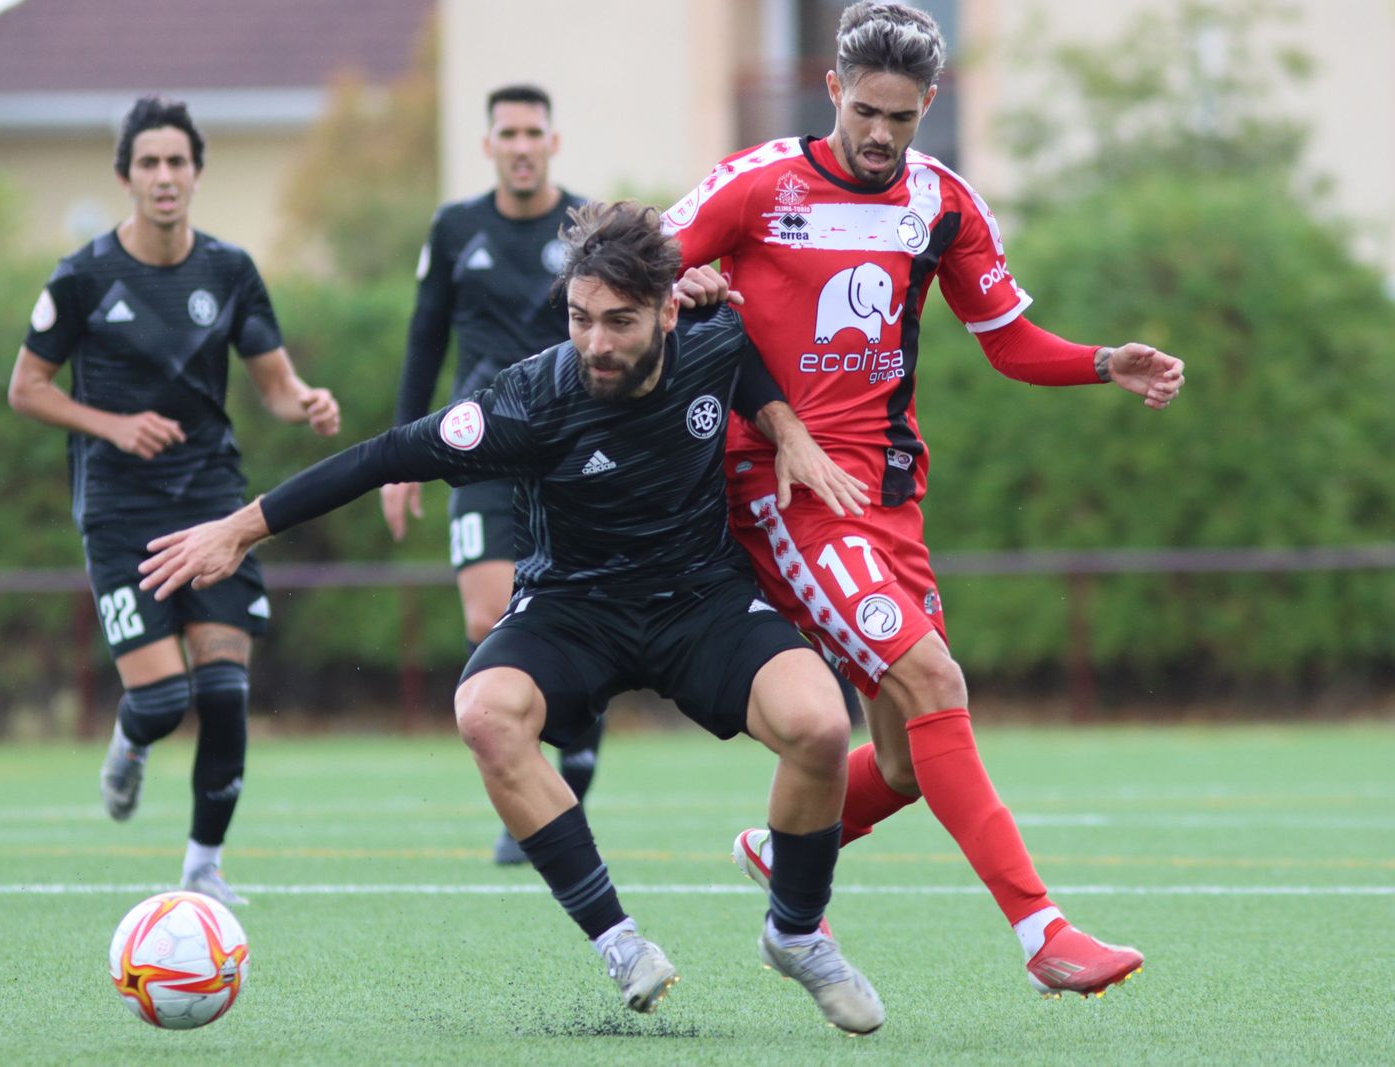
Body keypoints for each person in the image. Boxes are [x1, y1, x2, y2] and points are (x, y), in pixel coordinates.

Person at [137, 202, 887, 1034]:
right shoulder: (527, 402)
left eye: (619, 322)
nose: (595, 342)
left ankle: (795, 932)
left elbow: (743, 353)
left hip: (699, 598)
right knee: (484, 712)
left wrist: (784, 427)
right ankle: (619, 940)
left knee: (820, 724)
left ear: (670, 310)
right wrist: (240, 529)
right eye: (579, 317)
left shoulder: (709, 333)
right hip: (574, 606)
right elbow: (381, 455)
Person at [664, 1, 1184, 997]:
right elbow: (628, 268)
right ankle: (1043, 933)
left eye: (899, 118)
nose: (877, 135)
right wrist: (679, 293)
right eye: (863, 110)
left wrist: (1102, 360)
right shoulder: (755, 185)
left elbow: (1006, 342)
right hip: (780, 489)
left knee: (905, 759)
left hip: (890, 499)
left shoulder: (941, 202)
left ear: (927, 107)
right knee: (935, 681)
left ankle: (786, 849)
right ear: (831, 90)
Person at [7, 95, 342, 907]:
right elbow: (26, 388)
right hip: (121, 512)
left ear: (196, 174)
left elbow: (272, 382)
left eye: (177, 162)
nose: (164, 177)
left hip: (213, 503)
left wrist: (306, 400)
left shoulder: (229, 271)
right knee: (162, 700)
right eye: (148, 163)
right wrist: (112, 427)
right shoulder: (84, 276)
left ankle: (203, 867)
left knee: (224, 691)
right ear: (126, 177)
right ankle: (130, 739)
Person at [380, 85, 603, 866]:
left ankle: (574, 755)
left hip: (566, 447)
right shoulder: (454, 228)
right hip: (478, 442)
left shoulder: (585, 226)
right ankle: (532, 776)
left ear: (553, 140)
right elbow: (423, 338)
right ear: (488, 146)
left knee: (574, 607)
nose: (519, 145)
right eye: (506, 132)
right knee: (488, 617)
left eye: (532, 132)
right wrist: (399, 460)